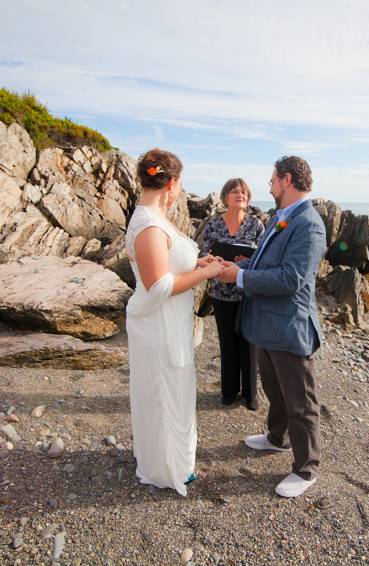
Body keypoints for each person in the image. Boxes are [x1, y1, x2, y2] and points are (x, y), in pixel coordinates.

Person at [217, 156, 327, 498]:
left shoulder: (308, 224)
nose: (270, 186)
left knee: (300, 400)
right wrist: (236, 265)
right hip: (265, 324)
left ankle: (306, 467)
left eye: (272, 181)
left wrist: (241, 277)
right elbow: (267, 262)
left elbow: (292, 279)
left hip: (289, 326)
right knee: (275, 390)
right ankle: (276, 438)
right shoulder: (282, 217)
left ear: (287, 180)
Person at [125, 148, 222, 496]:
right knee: (162, 391)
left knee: (175, 390)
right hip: (157, 326)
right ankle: (164, 467)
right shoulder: (149, 224)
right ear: (173, 183)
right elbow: (158, 287)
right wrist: (207, 273)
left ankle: (178, 461)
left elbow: (168, 266)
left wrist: (196, 264)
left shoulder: (155, 217)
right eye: (181, 183)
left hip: (170, 325)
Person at [198, 178, 265, 410]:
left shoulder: (256, 225)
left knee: (249, 343)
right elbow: (204, 252)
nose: (240, 195)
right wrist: (216, 259)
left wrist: (246, 262)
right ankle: (228, 392)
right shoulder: (213, 224)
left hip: (247, 292)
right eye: (235, 191)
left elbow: (263, 258)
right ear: (226, 196)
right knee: (227, 343)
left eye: (244, 192)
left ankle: (250, 395)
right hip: (220, 292)